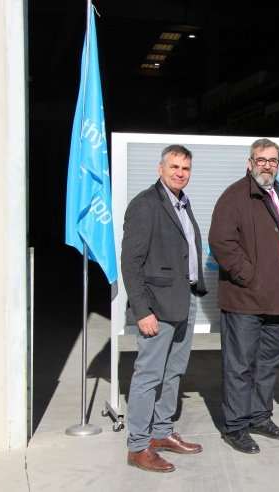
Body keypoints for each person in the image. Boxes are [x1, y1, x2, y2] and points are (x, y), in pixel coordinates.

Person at [209, 138, 279, 454]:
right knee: (239, 365)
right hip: (245, 300)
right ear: (250, 161)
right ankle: (236, 426)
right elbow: (221, 243)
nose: (268, 165)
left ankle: (260, 417)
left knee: (268, 363)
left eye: (273, 160)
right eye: (262, 159)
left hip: (278, 300)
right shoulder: (235, 197)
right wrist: (250, 277)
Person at [121, 145, 207, 472]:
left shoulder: (183, 202)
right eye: (174, 167)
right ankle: (138, 446)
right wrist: (142, 310)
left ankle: (161, 432)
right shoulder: (145, 205)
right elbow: (131, 262)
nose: (179, 173)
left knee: (173, 372)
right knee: (149, 376)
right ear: (160, 168)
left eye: (185, 168)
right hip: (157, 306)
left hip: (185, 300)